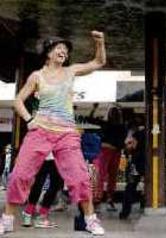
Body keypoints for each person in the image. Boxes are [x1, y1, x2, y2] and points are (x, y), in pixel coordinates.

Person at [0, 30, 106, 235]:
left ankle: (91, 220)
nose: (63, 51)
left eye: (66, 50)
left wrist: (100, 43)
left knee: (80, 178)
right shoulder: (36, 76)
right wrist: (29, 120)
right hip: (40, 133)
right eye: (59, 48)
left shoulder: (71, 71)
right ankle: (7, 220)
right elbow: (18, 101)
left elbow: (98, 62)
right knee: (19, 176)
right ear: (48, 53)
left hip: (66, 135)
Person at [87, 103, 127, 211]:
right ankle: (109, 199)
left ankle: (97, 200)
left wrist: (93, 108)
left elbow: (90, 119)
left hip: (104, 150)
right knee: (111, 176)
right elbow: (122, 141)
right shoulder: (122, 127)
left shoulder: (105, 124)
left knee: (100, 175)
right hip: (115, 151)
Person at [21, 152, 63, 228]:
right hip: (42, 156)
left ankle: (41, 212)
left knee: (54, 185)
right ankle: (30, 212)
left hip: (57, 157)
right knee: (38, 184)